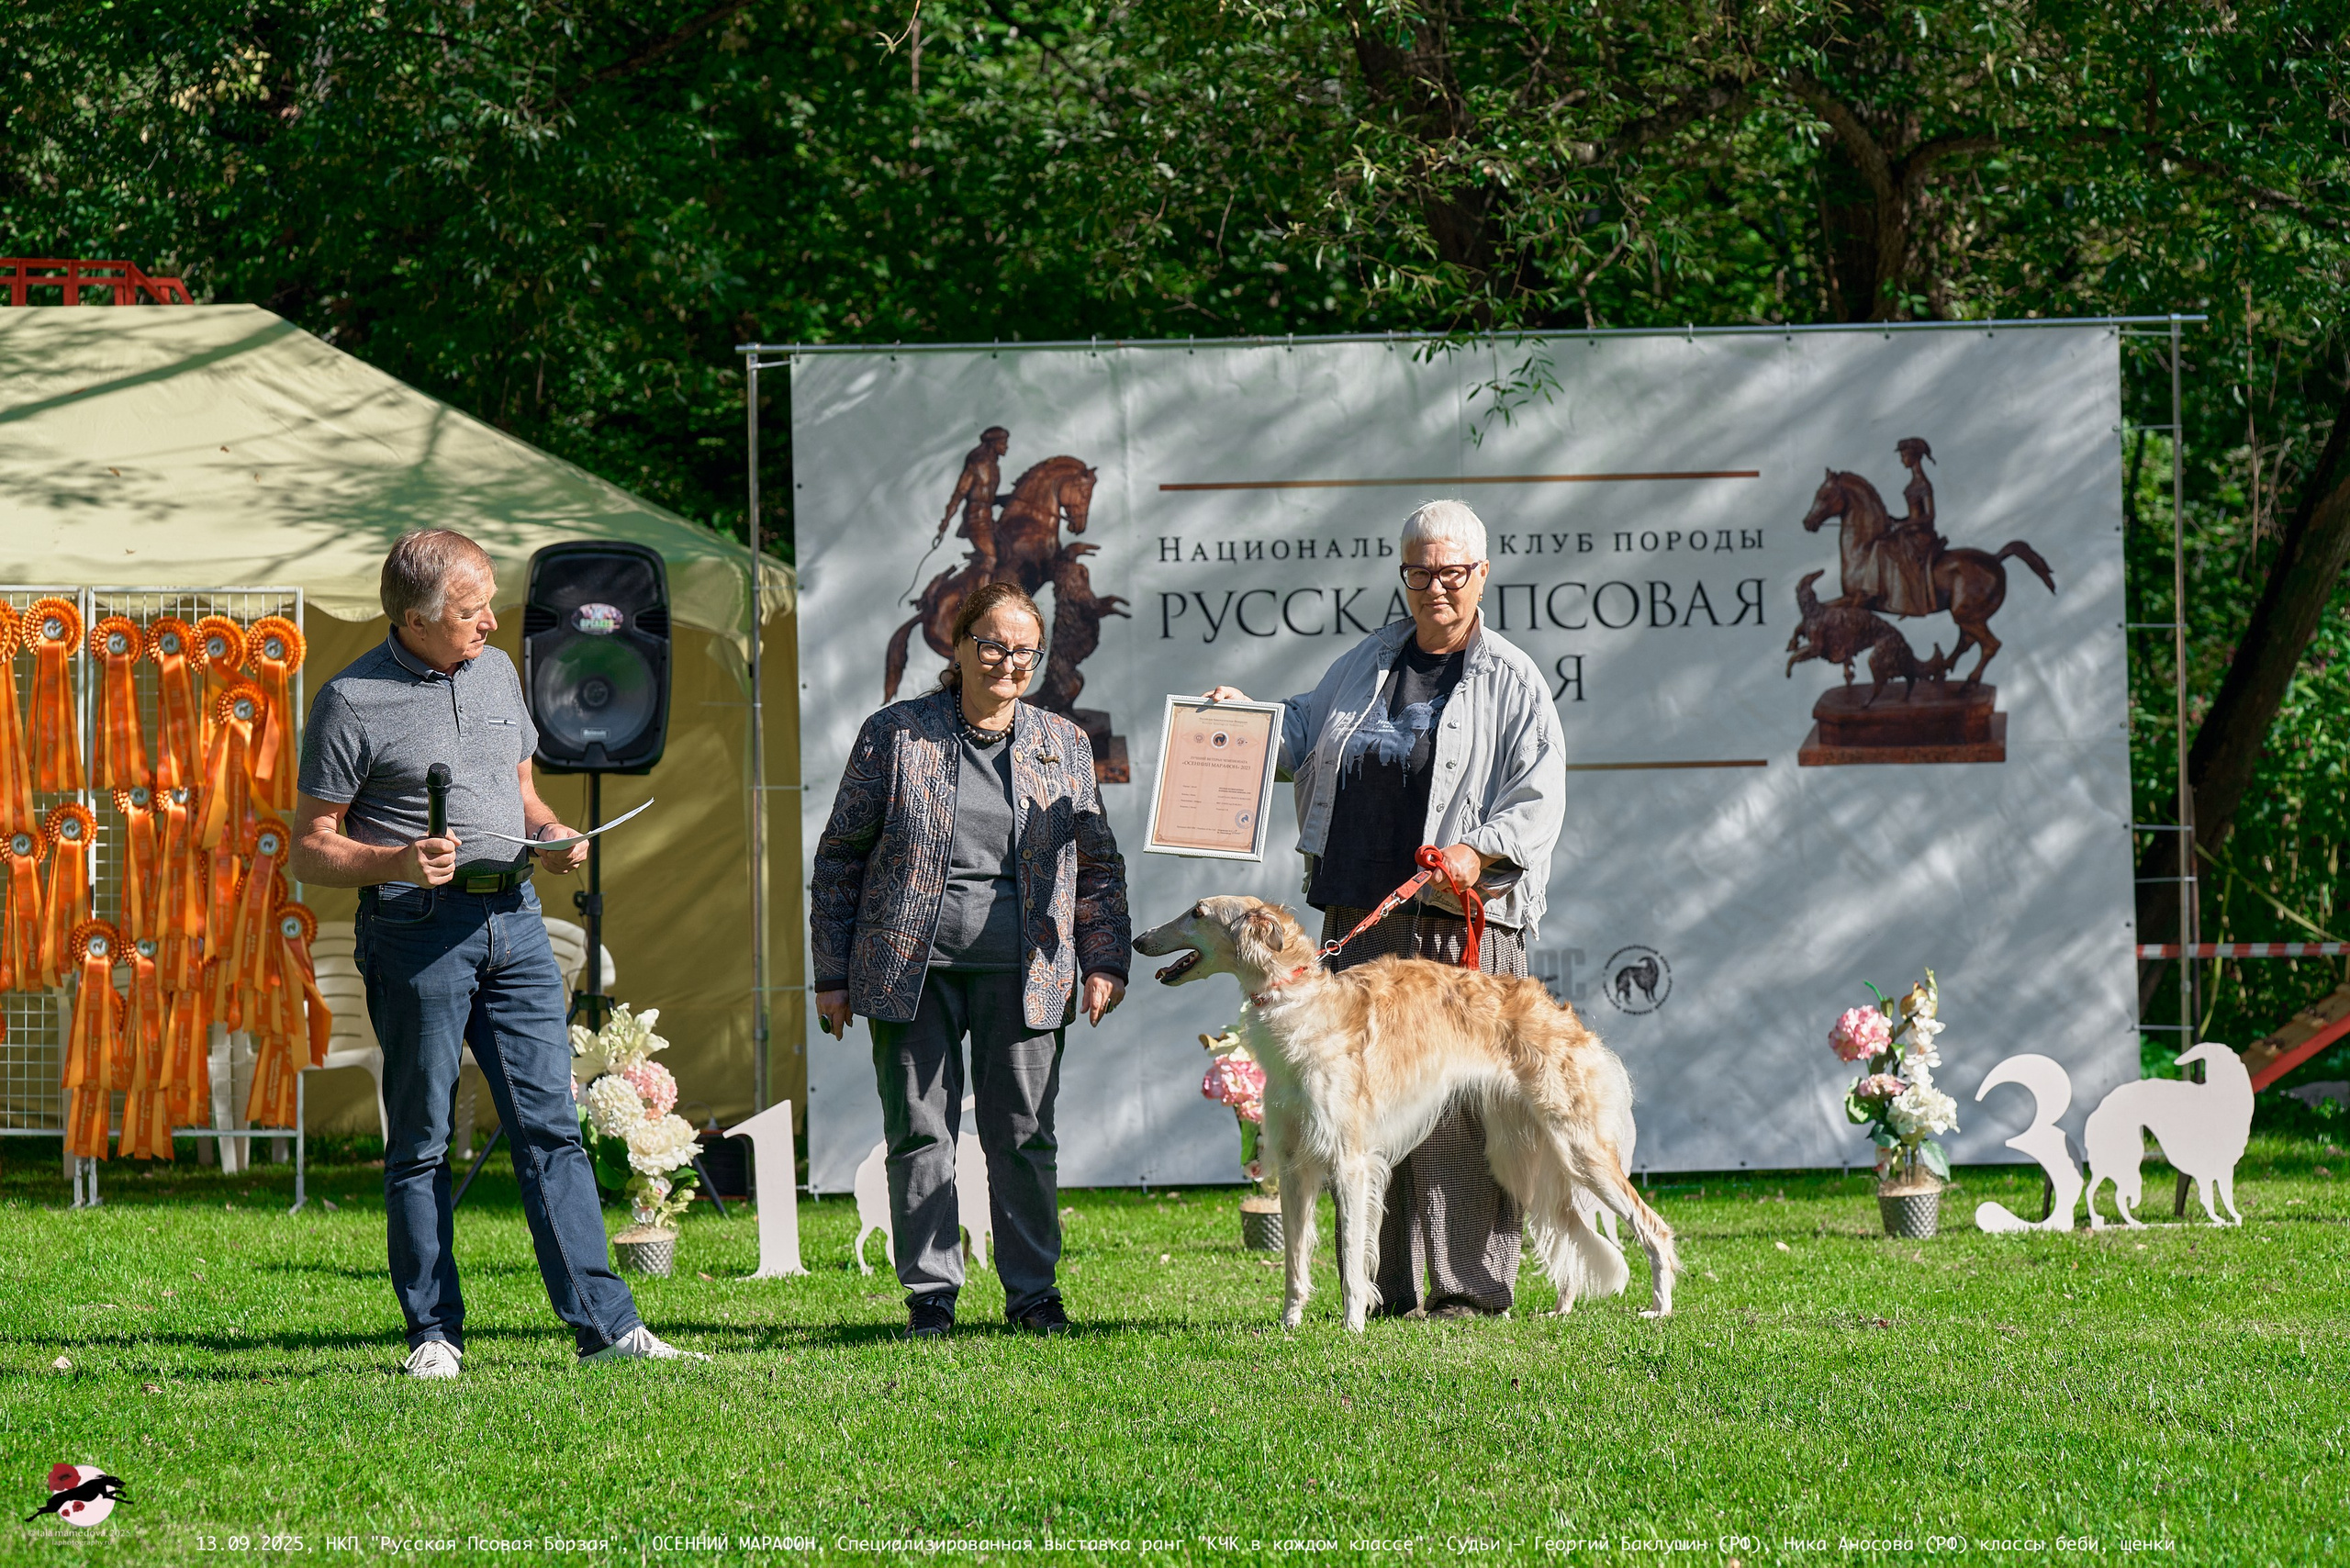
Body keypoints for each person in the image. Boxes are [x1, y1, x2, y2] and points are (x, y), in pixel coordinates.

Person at [291, 529, 702, 1376]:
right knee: (422, 1140)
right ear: (413, 618)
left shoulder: (497, 672)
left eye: (488, 604)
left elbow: (520, 793)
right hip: (415, 933)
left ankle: (607, 1327)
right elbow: (309, 846)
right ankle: (433, 1335)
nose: (489, 621)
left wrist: (551, 834)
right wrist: (395, 861)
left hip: (513, 922)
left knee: (551, 1127)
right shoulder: (350, 701)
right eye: (470, 610)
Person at [1203, 498, 1565, 1318]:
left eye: (1451, 572)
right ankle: (1383, 1289)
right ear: (1402, 577)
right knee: (1359, 1114)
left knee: (1458, 1115)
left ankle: (1471, 1291)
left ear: (1480, 575)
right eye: (1418, 572)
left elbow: (1538, 798)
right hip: (1360, 927)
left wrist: (1477, 850)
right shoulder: (1367, 662)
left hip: (1452, 926)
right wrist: (1243, 720)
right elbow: (1300, 731)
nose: (1434, 587)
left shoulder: (1511, 678)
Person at [812, 580, 1130, 1339]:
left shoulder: (1065, 744)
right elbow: (839, 861)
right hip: (906, 970)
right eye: (992, 644)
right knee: (919, 1134)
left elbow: (1099, 867)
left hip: (1027, 973)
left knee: (1024, 1137)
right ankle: (931, 1296)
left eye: (1024, 650)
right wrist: (831, 975)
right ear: (956, 646)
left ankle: (1033, 1296)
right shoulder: (896, 733)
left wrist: (1105, 960)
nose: (1008, 662)